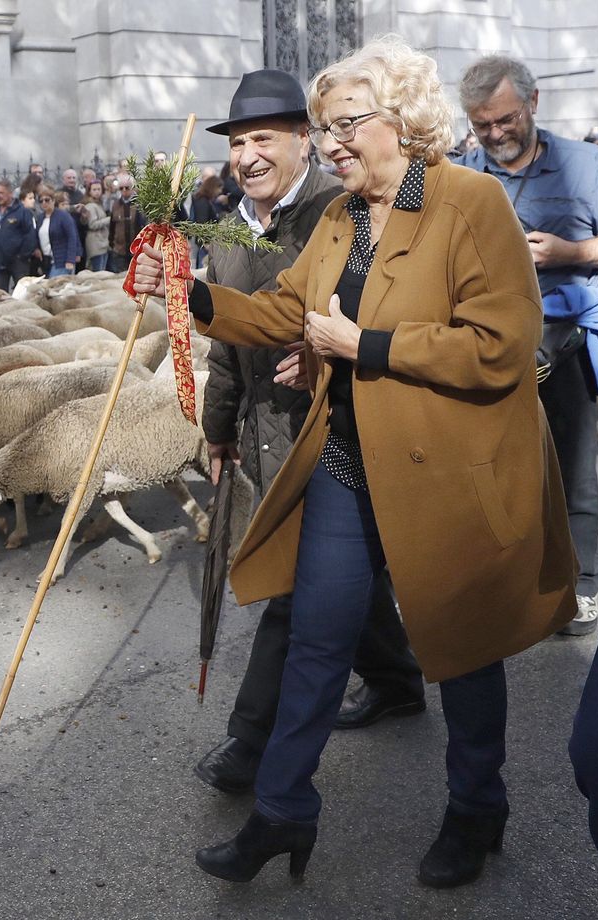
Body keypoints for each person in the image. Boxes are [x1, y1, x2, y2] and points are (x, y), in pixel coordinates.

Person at [133, 35, 576, 889]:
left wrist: (365, 343)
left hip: (448, 467)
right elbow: (278, 311)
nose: (331, 142)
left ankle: (476, 807)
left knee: (464, 645)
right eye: (325, 127)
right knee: (315, 638)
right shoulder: (338, 219)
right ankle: (281, 812)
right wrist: (188, 295)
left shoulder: (468, 201)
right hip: (346, 459)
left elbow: (502, 345)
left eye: (346, 124)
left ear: (403, 121)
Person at [191, 68, 423, 799]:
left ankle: (251, 745)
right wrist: (219, 424)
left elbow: (388, 307)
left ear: (302, 143)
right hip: (263, 426)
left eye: (264, 138)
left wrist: (329, 346)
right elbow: (232, 341)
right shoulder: (228, 229)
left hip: (336, 425)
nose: (247, 156)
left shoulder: (341, 209)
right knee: (340, 576)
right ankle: (394, 677)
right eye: (237, 143)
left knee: (298, 586)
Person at [455, 55, 598, 638]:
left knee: (572, 470)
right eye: (482, 124)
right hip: (483, 346)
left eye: (505, 119)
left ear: (534, 103)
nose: (494, 134)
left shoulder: (589, 167)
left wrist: (571, 254)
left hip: (562, 346)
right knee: (485, 472)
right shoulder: (463, 178)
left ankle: (579, 585)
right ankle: (497, 583)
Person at [0, 179, 37, 290]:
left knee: (22, 293)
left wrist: (22, 256)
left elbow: (30, 236)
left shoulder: (23, 212)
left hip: (18, 263)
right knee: (0, 296)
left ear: (10, 193)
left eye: (1, 193)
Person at [36, 189, 81, 278]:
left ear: (53, 200)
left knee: (56, 285)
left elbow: (72, 237)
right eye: (41, 201)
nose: (44, 203)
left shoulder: (63, 216)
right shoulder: (40, 218)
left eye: (47, 200)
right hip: (46, 260)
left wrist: (70, 260)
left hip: (62, 260)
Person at [107, 175, 146, 273]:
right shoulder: (115, 205)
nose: (124, 190)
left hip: (136, 250)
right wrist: (111, 244)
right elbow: (112, 226)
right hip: (119, 250)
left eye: (127, 187)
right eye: (121, 188)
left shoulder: (139, 204)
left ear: (132, 188)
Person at [78, 180, 110, 272]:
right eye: (94, 189)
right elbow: (92, 224)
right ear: (89, 191)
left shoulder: (99, 204)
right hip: (96, 244)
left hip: (102, 242)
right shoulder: (90, 206)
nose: (97, 192)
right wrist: (109, 219)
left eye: (99, 189)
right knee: (98, 272)